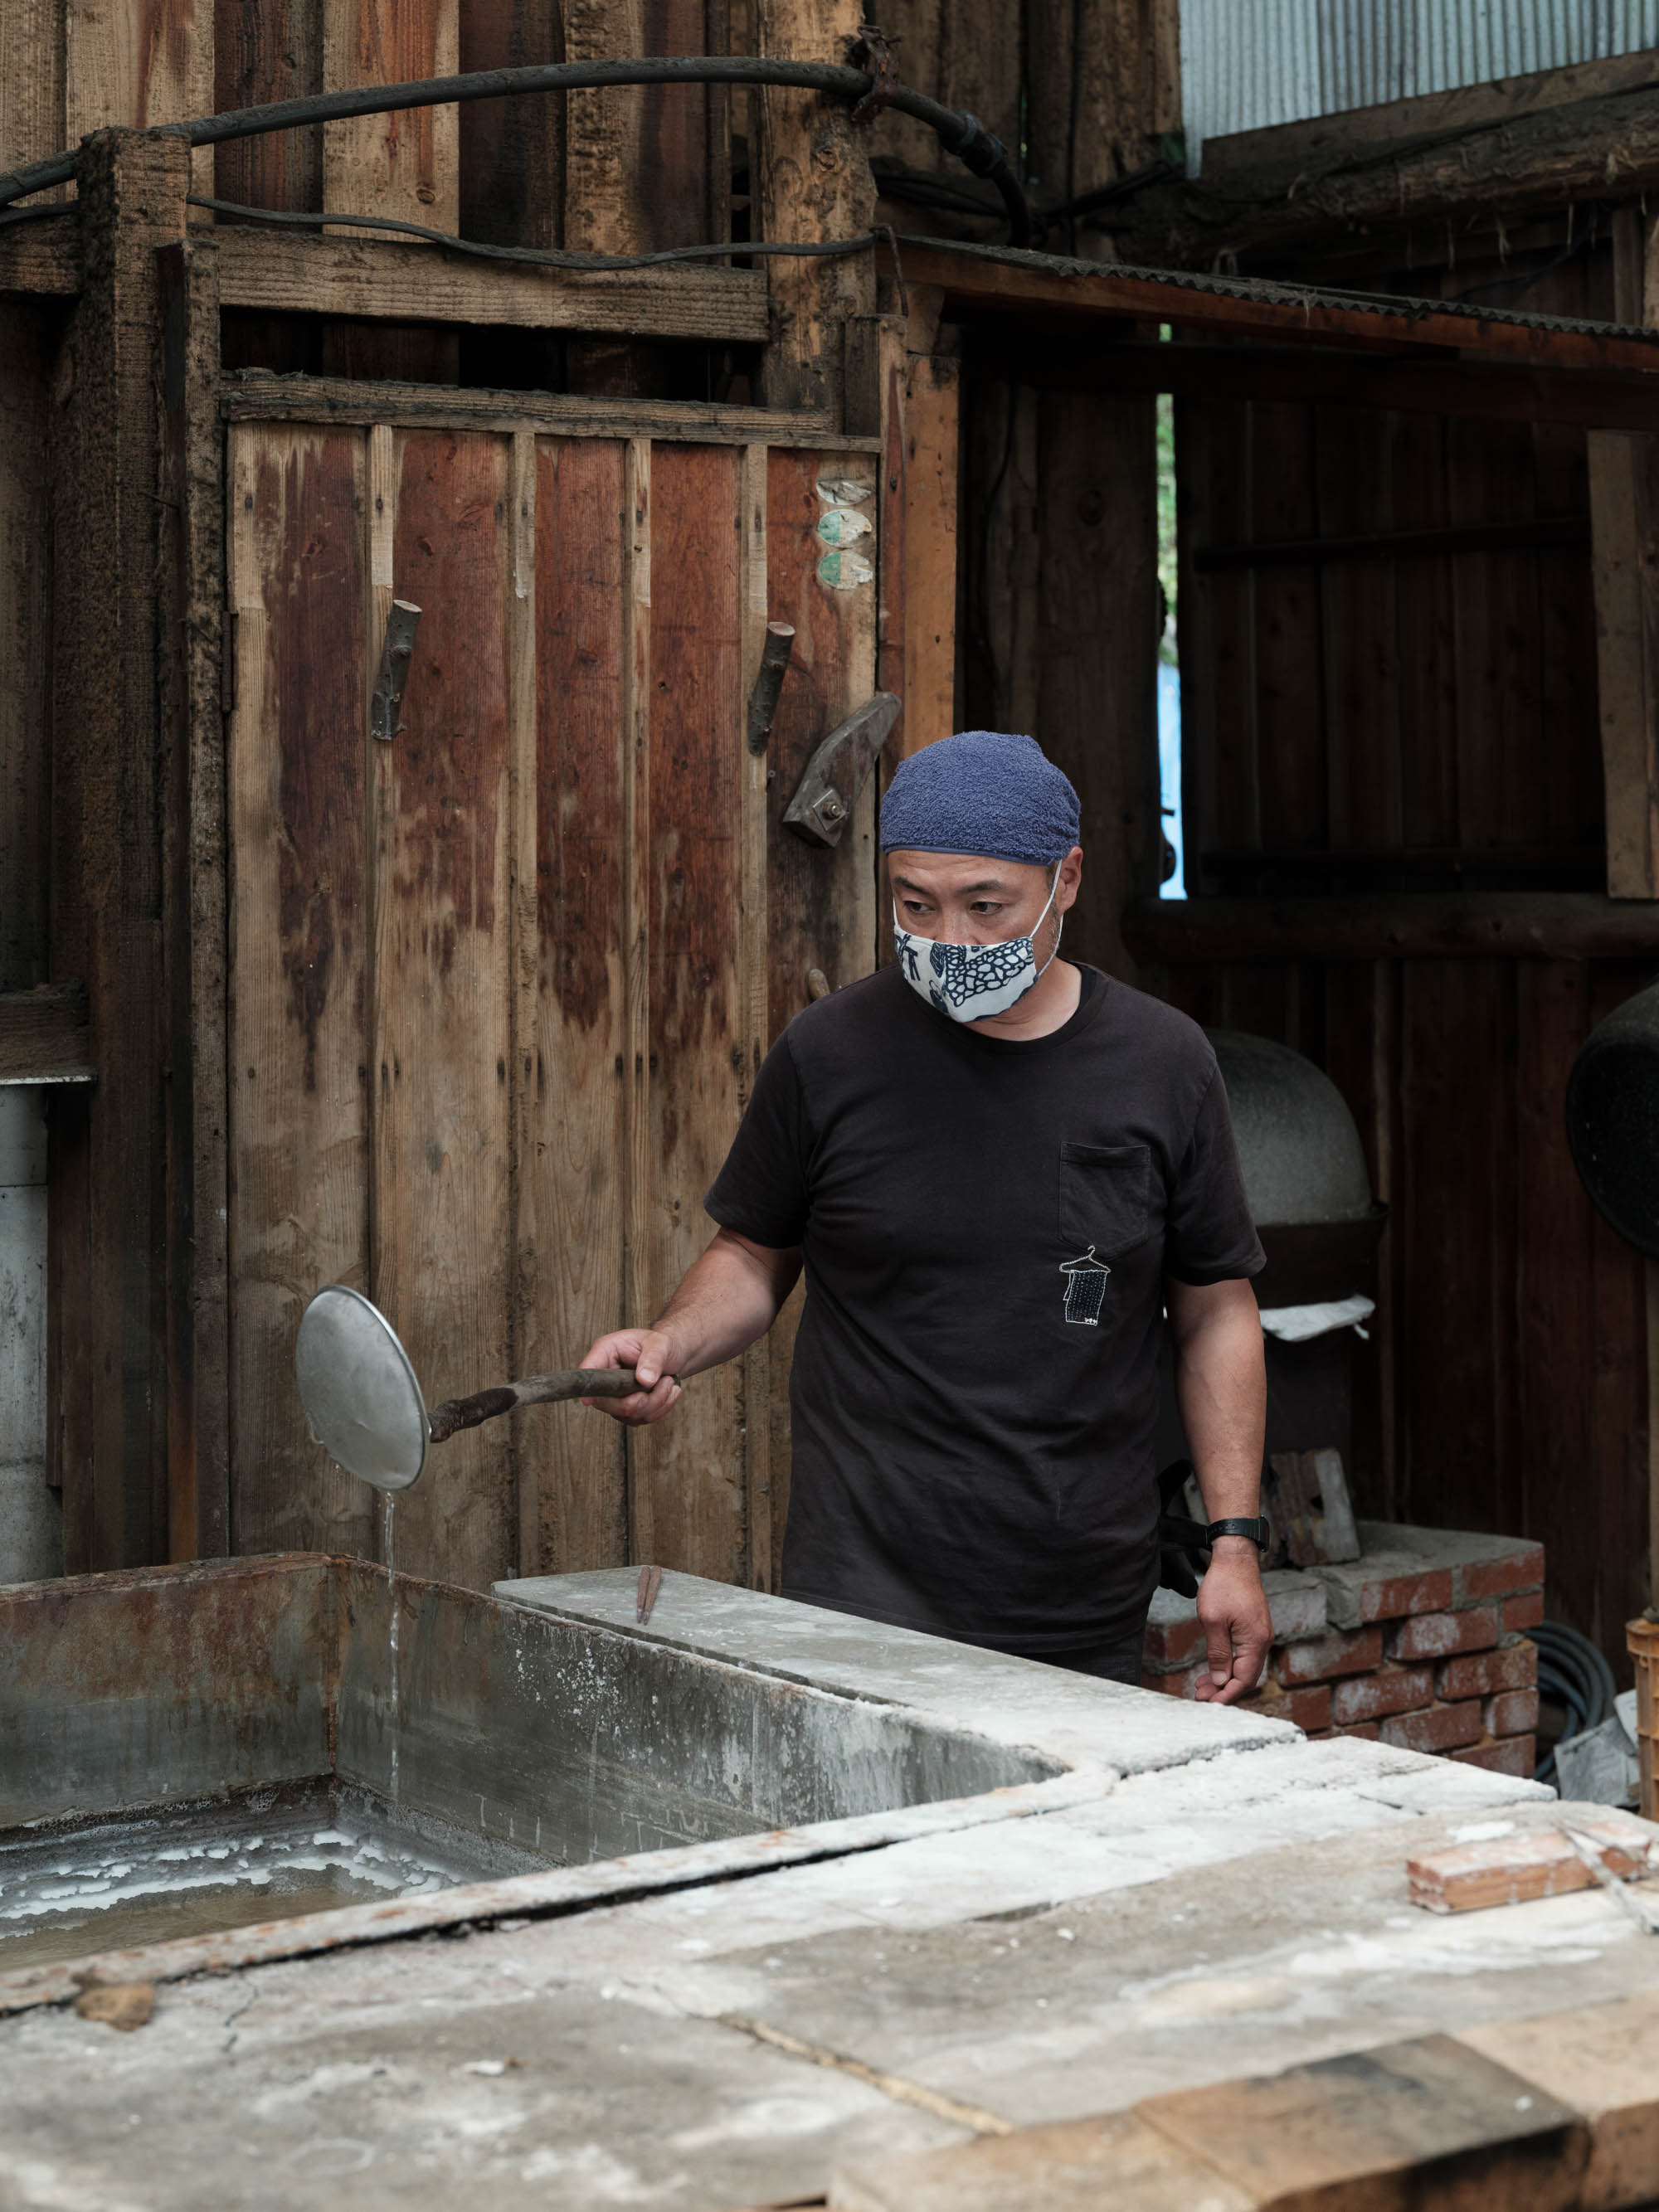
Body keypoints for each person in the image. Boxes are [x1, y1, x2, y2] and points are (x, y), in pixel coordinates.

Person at [579, 730, 1272, 1700]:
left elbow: (1214, 1311)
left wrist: (1231, 1543)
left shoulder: (1162, 1064)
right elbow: (752, 1255)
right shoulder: (829, 1054)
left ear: (1064, 880)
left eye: (986, 906)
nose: (948, 941)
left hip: (1072, 1594)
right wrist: (667, 1343)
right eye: (915, 904)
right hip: (859, 1585)